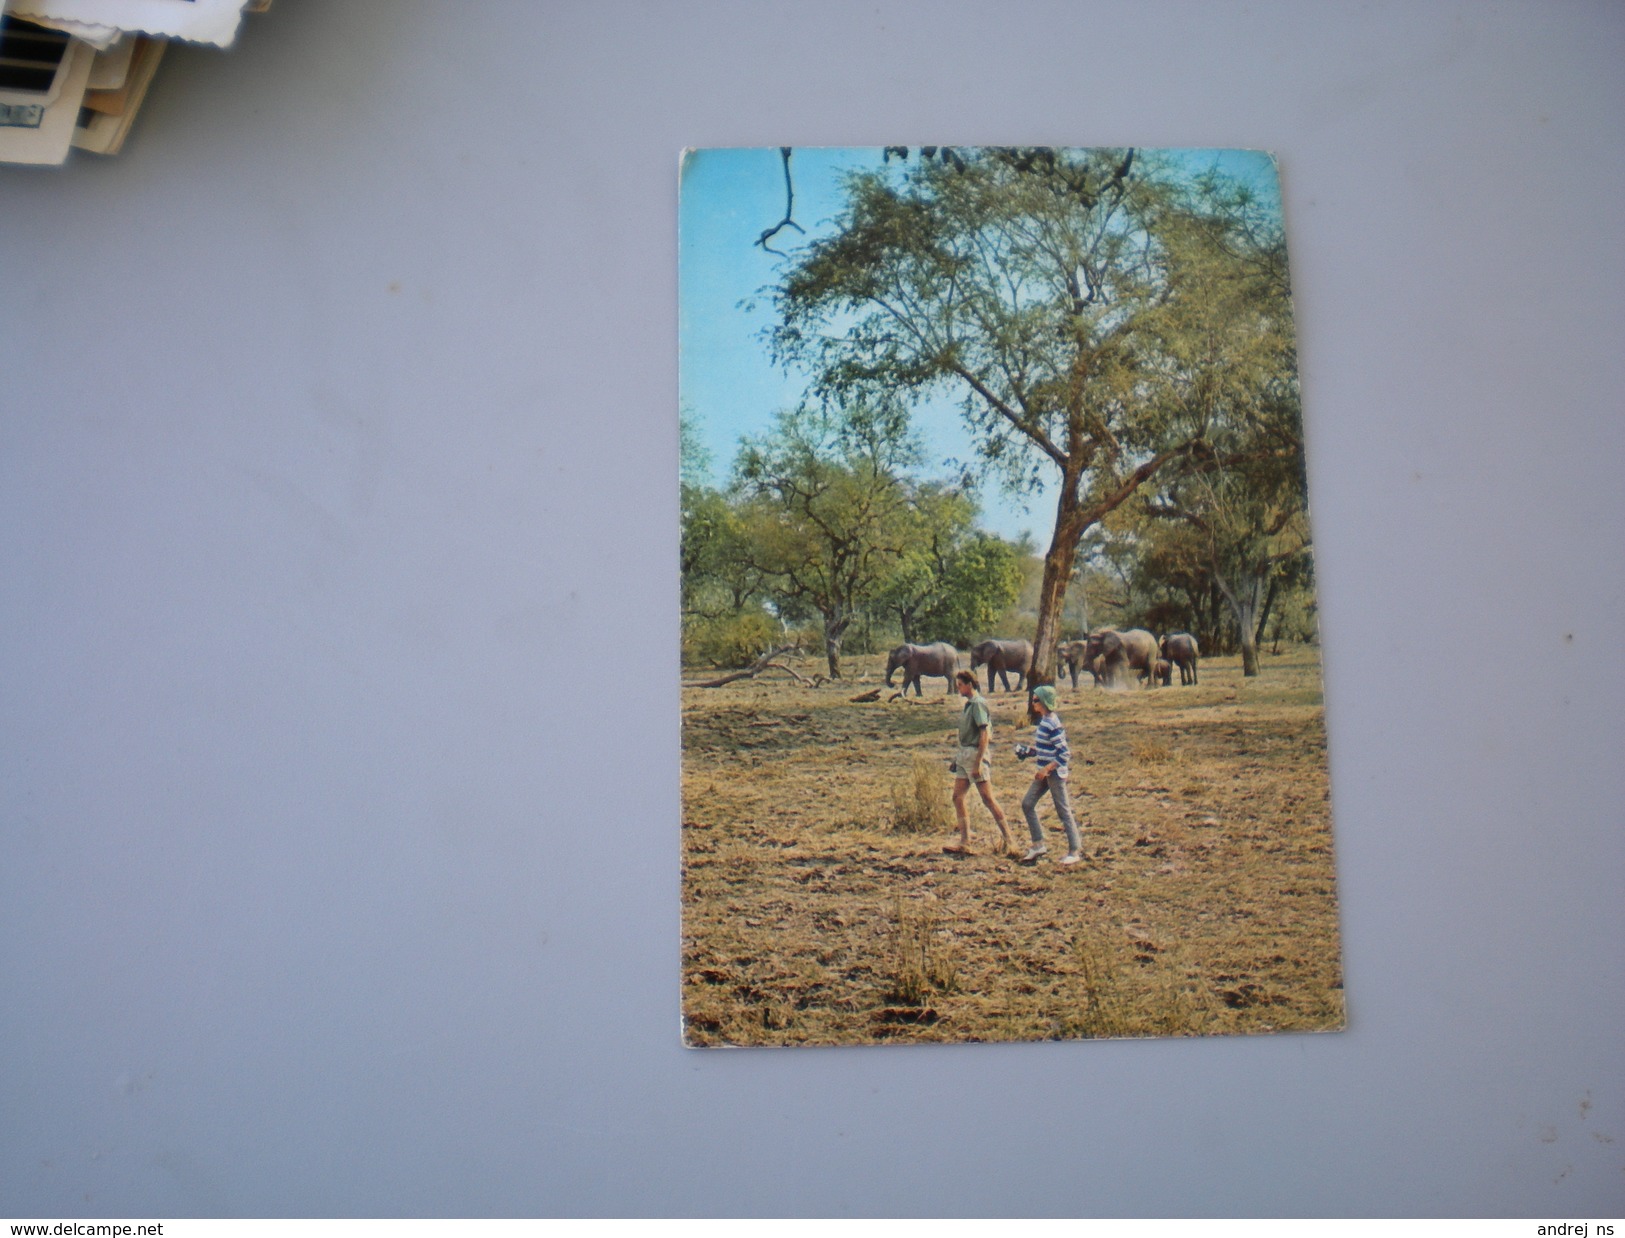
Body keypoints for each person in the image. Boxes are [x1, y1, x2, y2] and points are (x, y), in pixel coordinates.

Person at [946, 669, 1012, 855]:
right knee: (957, 797)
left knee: (988, 799)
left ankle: (1009, 839)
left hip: (975, 755)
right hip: (965, 755)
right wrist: (957, 759)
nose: (958, 689)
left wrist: (978, 762)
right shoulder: (969, 705)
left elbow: (984, 734)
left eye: (960, 685)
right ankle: (965, 841)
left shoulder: (978, 704)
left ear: (969, 684)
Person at [1016, 684, 1083, 865]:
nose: (1033, 703)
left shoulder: (1052, 723)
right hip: (1044, 773)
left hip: (1053, 774)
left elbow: (1064, 753)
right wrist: (1028, 751)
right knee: (1027, 804)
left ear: (1044, 702)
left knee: (1063, 811)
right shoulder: (1045, 721)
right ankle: (1038, 845)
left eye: (1036, 700)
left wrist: (1046, 769)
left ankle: (1074, 851)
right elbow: (1045, 749)